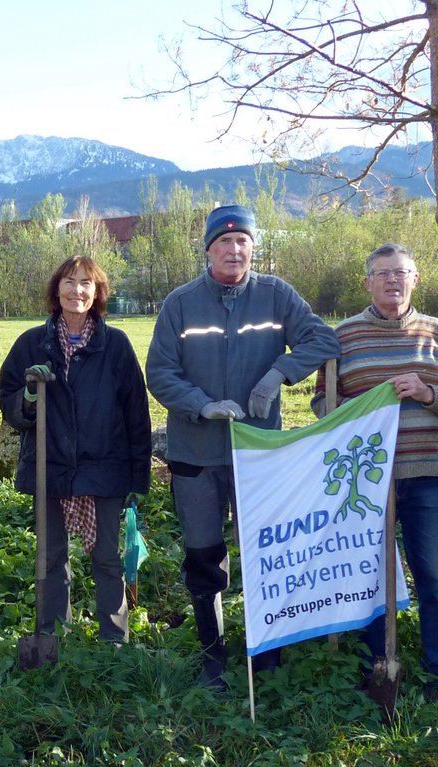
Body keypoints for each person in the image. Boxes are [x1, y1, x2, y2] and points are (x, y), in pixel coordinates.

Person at [146, 204, 339, 688]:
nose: (234, 250)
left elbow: (323, 341)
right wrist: (202, 404)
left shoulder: (276, 296)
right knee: (203, 555)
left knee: (261, 552)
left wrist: (280, 373)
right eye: (224, 243)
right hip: (195, 454)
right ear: (208, 249)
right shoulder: (181, 304)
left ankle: (265, 652)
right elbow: (160, 372)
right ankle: (213, 655)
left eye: (243, 243)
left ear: (253, 248)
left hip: (257, 453)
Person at [0, 256, 151, 645]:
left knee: (106, 557)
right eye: (69, 281)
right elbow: (10, 402)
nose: (76, 290)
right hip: (50, 467)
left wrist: (137, 477)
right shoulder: (33, 343)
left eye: (86, 283)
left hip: (104, 468)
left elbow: (136, 412)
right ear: (56, 289)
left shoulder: (114, 344)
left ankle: (114, 640)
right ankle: (51, 635)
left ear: (97, 292)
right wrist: (30, 396)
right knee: (50, 559)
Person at [312, 243, 438, 702]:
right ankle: (372, 668)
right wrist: (356, 407)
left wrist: (427, 394)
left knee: (433, 573)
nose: (392, 280)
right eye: (382, 273)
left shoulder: (435, 333)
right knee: (368, 576)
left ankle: (435, 671)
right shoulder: (343, 336)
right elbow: (322, 402)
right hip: (366, 482)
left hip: (427, 473)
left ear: (415, 279)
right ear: (366, 282)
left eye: (401, 272)